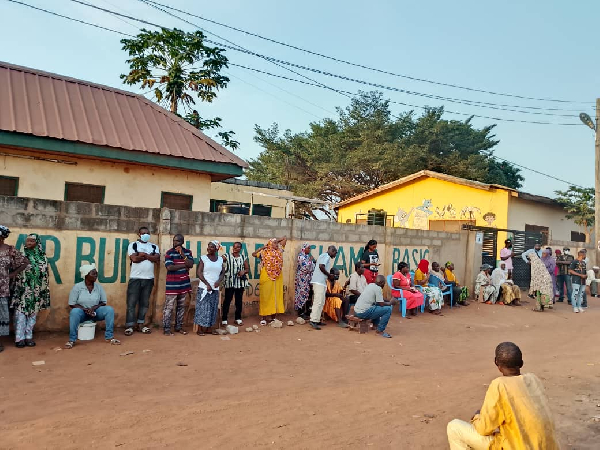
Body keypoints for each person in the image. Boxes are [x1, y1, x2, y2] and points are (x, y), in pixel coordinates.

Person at [446, 342, 559, 450]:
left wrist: (477, 417)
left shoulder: (500, 385)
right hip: (545, 446)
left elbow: (483, 429)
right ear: (521, 363)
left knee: (454, 427)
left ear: (497, 363)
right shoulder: (534, 379)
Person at [66, 264, 120, 348]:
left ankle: (109, 337)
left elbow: (103, 302)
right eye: (93, 273)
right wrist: (85, 309)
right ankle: (72, 340)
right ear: (86, 275)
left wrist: (93, 308)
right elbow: (72, 303)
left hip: (95, 312)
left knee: (109, 310)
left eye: (96, 273)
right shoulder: (77, 287)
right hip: (82, 313)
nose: (96, 275)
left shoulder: (98, 287)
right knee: (74, 312)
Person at [11, 233, 50, 348]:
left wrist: (43, 290)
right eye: (27, 241)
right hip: (23, 289)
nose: (29, 243)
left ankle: (28, 337)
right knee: (21, 313)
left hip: (37, 290)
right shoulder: (21, 255)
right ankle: (19, 338)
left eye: (32, 241)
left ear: (37, 243)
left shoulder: (43, 257)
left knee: (33, 313)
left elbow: (45, 274)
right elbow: (15, 270)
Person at [125, 226, 159, 336]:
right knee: (131, 303)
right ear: (139, 234)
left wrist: (143, 255)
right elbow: (134, 259)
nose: (146, 235)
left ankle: (140, 324)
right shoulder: (133, 245)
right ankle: (130, 325)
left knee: (144, 303)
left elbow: (157, 259)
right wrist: (149, 257)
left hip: (148, 279)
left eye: (148, 233)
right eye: (144, 233)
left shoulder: (153, 246)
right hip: (135, 278)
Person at [0, 225, 29, 353]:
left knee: (1, 315)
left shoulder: (10, 250)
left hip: (3, 288)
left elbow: (25, 262)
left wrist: (12, 274)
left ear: (2, 237)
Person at [163, 234, 194, 335]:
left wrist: (183, 255)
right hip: (172, 285)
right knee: (169, 307)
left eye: (177, 241)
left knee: (181, 307)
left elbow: (191, 264)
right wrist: (184, 265)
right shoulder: (169, 253)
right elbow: (170, 267)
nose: (175, 243)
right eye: (174, 241)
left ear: (182, 242)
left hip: (184, 284)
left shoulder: (188, 252)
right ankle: (167, 328)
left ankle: (178, 327)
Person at [253, 237, 286, 325]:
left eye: (276, 243)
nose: (276, 244)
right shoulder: (264, 253)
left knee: (275, 296)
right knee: (266, 296)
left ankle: (273, 317)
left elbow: (285, 239)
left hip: (278, 277)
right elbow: (253, 254)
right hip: (266, 276)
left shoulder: (279, 251)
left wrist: (276, 240)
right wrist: (262, 248)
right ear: (270, 244)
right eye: (274, 243)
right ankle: (263, 317)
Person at [195, 241, 225, 335]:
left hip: (214, 288)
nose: (209, 248)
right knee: (202, 308)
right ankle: (199, 329)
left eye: (212, 247)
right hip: (204, 287)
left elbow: (222, 272)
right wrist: (207, 284)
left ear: (216, 249)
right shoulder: (203, 258)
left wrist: (218, 281)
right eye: (208, 246)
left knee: (212, 308)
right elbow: (199, 272)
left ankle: (209, 328)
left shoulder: (220, 259)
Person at [309, 245, 338, 330]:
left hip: (321, 282)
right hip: (319, 282)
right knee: (318, 302)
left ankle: (317, 320)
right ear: (332, 251)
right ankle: (313, 320)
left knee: (321, 302)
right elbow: (321, 266)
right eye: (335, 253)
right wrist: (329, 275)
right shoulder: (326, 256)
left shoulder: (323, 256)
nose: (335, 255)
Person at [221, 241, 249, 326]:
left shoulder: (243, 257)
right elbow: (219, 260)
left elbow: (247, 269)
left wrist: (243, 271)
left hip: (239, 283)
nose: (235, 249)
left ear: (240, 248)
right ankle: (224, 319)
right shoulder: (227, 256)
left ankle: (238, 318)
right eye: (234, 247)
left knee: (239, 301)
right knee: (227, 301)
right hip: (229, 282)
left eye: (237, 247)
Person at [294, 242, 315, 319]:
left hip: (308, 279)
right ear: (304, 248)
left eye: (310, 248)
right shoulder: (301, 257)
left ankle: (307, 312)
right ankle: (301, 312)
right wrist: (310, 261)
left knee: (308, 295)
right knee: (301, 295)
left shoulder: (307, 256)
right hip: (302, 279)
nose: (309, 250)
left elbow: (312, 267)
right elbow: (304, 268)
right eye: (308, 248)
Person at [569, 249, 587, 313]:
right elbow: (570, 271)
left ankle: (579, 306)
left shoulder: (584, 262)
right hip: (576, 280)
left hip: (583, 281)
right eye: (584, 254)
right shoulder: (574, 261)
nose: (585, 255)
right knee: (575, 294)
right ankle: (575, 307)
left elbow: (584, 271)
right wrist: (580, 275)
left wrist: (585, 276)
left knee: (581, 294)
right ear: (581, 255)